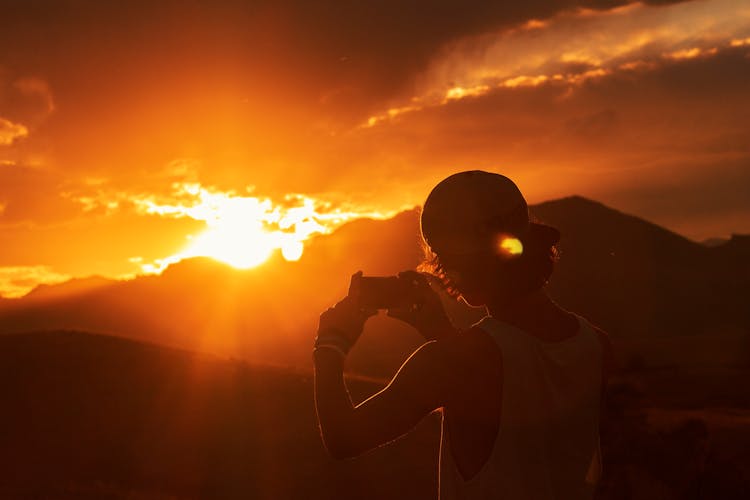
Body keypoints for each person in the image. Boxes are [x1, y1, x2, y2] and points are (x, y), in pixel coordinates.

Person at [313, 170, 615, 499]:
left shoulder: (452, 362)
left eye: (443, 261)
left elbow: (343, 438)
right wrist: (441, 333)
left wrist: (331, 344)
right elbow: (527, 430)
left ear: (461, 264)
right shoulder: (597, 344)